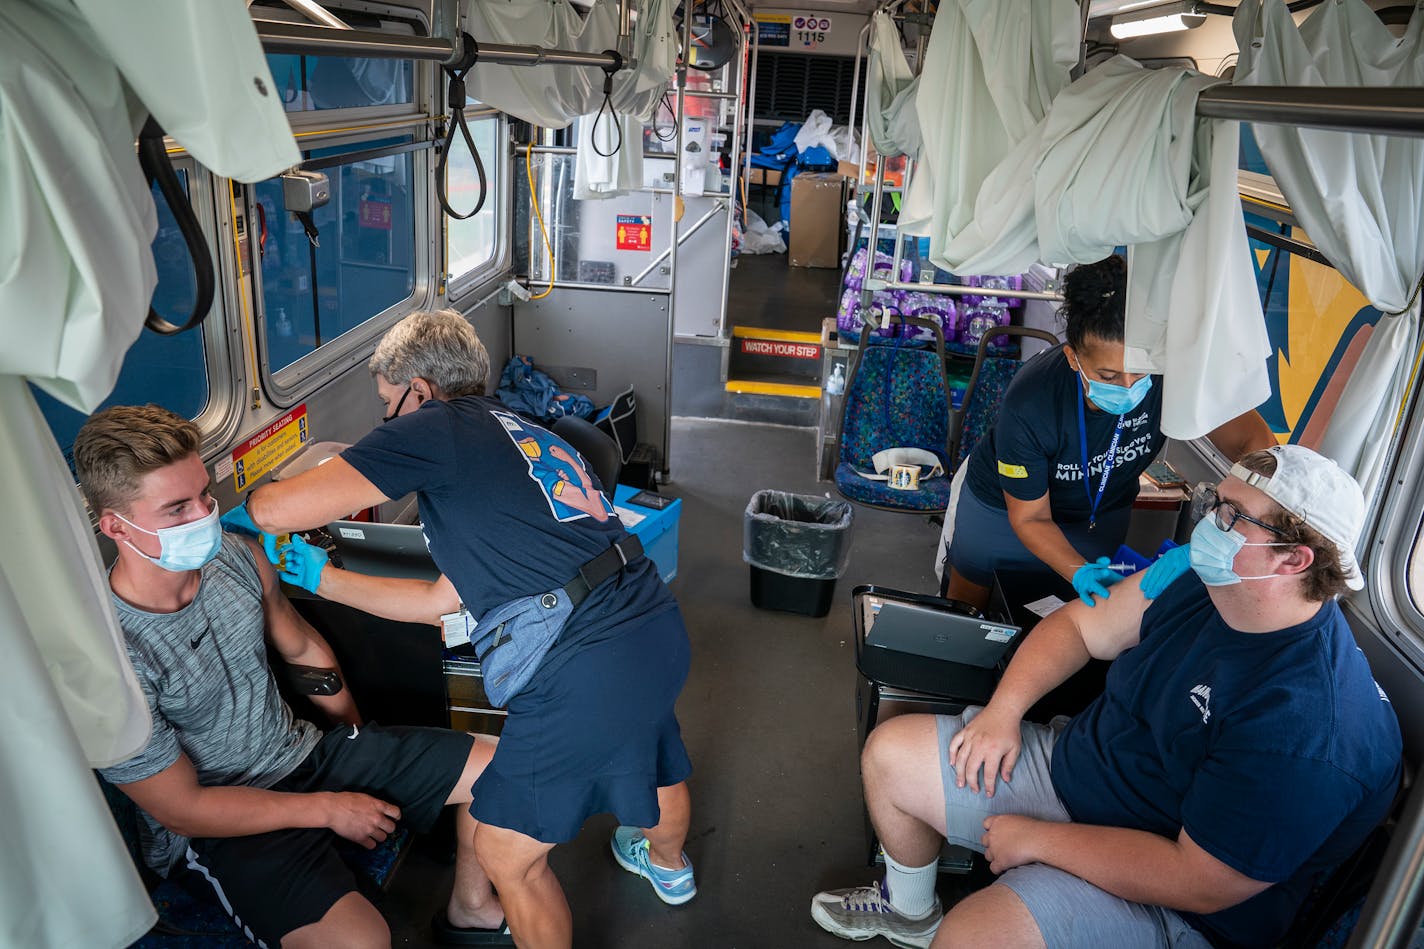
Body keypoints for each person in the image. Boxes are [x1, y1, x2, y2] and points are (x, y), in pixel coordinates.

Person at [224, 309, 695, 949]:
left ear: (419, 388)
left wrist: (284, 479)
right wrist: (320, 579)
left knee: (507, 855)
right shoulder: (521, 431)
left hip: (579, 664)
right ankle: (670, 866)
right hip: (648, 625)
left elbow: (274, 509)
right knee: (652, 744)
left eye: (389, 405)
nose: (388, 420)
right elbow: (439, 599)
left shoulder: (433, 427)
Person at [816, 444, 1402, 948]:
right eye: (1214, 503)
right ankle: (911, 911)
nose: (1208, 525)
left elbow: (1198, 880)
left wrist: (1039, 841)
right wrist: (1003, 712)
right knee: (889, 756)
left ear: (1293, 560)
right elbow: (1077, 628)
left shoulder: (1309, 733)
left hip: (1173, 895)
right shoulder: (1196, 577)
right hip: (1082, 773)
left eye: (1232, 517)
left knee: (971, 940)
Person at [76, 405, 507, 949]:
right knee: (363, 943)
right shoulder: (108, 658)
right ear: (116, 526)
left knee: (503, 768)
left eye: (205, 496)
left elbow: (303, 649)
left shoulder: (234, 557)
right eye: (177, 509)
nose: (205, 516)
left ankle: (468, 910)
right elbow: (182, 809)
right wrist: (328, 809)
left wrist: (356, 738)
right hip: (225, 818)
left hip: (304, 754)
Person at [935, 255, 1276, 610]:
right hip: (1004, 514)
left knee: (1071, 614)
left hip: (1100, 517)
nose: (1128, 387)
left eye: (1140, 371)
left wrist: (1223, 531)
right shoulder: (1031, 401)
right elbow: (1031, 517)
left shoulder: (1173, 372)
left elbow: (1254, 445)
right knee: (969, 611)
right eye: (1108, 377)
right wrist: (1078, 571)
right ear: (1073, 358)